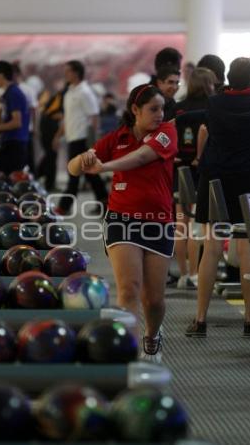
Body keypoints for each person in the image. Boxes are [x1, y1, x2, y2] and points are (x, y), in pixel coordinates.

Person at [67, 84, 178, 363]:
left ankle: (152, 336)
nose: (159, 114)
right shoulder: (116, 138)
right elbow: (73, 167)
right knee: (129, 288)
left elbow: (142, 157)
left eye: (162, 108)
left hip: (158, 221)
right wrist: (82, 160)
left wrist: (104, 167)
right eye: (153, 109)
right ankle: (127, 352)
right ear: (135, 110)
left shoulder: (167, 133)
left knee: (154, 300)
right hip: (121, 219)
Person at [186, 57, 250, 337]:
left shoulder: (215, 102)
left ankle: (199, 321)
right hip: (249, 177)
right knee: (247, 247)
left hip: (214, 177)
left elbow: (205, 132)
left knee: (211, 246)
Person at [174, 67, 217, 289]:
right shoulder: (214, 107)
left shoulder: (178, 107)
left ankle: (182, 274)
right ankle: (194, 273)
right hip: (202, 171)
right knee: (196, 226)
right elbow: (206, 132)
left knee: (181, 224)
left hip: (179, 169)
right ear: (208, 84)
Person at [53, 60, 108, 215]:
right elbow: (67, 117)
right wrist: (58, 136)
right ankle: (105, 201)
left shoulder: (85, 92)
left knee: (74, 173)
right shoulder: (69, 92)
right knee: (91, 174)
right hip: (72, 138)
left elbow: (94, 116)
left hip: (82, 139)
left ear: (76, 72)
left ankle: (63, 206)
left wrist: (93, 143)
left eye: (68, 71)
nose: (65, 74)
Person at [0, 60, 29, 174]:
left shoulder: (13, 93)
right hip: (10, 143)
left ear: (1, 76)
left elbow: (17, 122)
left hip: (15, 145)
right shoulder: (7, 94)